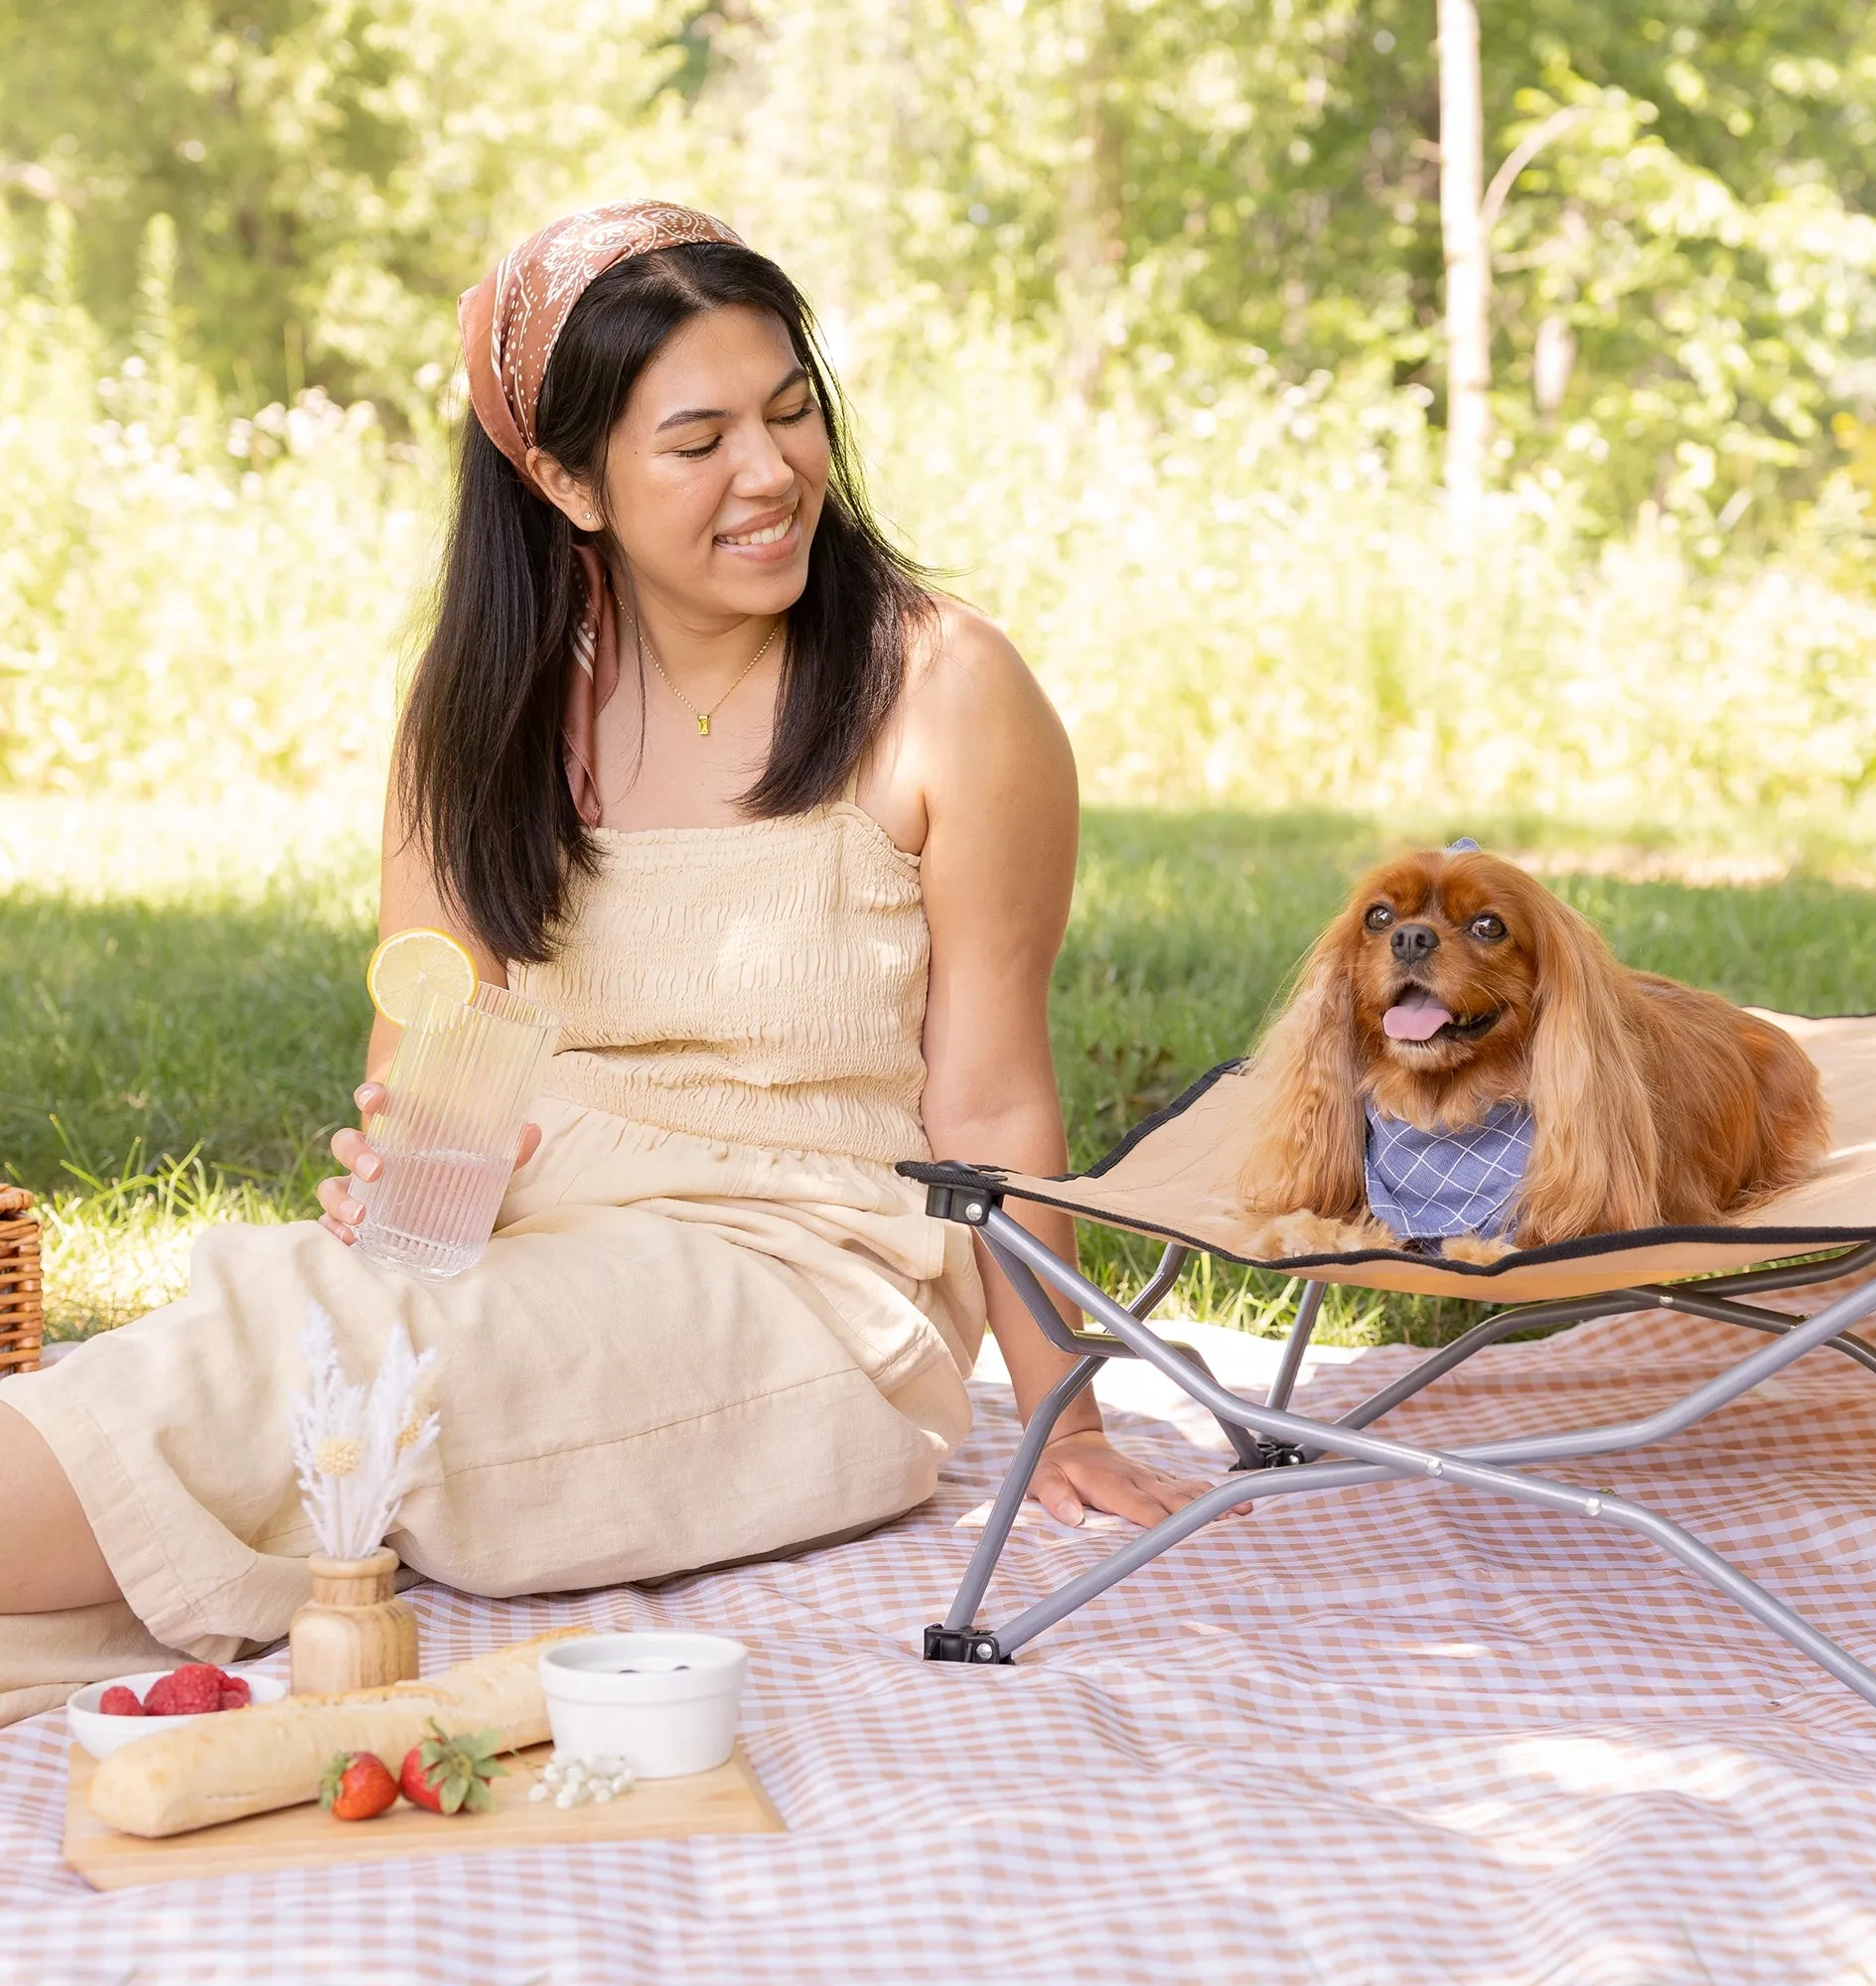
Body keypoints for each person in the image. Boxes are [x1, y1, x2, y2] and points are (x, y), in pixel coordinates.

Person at [0, 201, 1216, 1726]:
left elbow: (989, 1102)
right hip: (525, 1239)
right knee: (287, 1335)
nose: (770, 474)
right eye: (696, 440)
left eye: (790, 413)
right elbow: (434, 1057)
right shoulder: (487, 714)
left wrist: (1061, 1410)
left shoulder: (944, 692)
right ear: (568, 479)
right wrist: (412, 1181)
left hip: (811, 1290)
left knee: (330, 1362)